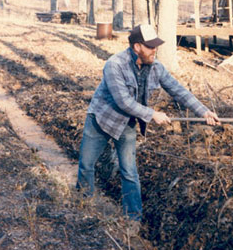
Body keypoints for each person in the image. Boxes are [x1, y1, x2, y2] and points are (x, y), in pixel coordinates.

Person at [76, 24, 219, 224]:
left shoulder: (156, 67)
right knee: (86, 164)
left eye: (156, 46)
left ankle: (133, 220)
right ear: (137, 47)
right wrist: (152, 114)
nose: (155, 50)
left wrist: (203, 111)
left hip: (127, 123)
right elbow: (123, 101)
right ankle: (84, 207)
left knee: (129, 172)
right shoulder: (114, 65)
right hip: (101, 119)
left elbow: (178, 91)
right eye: (150, 46)